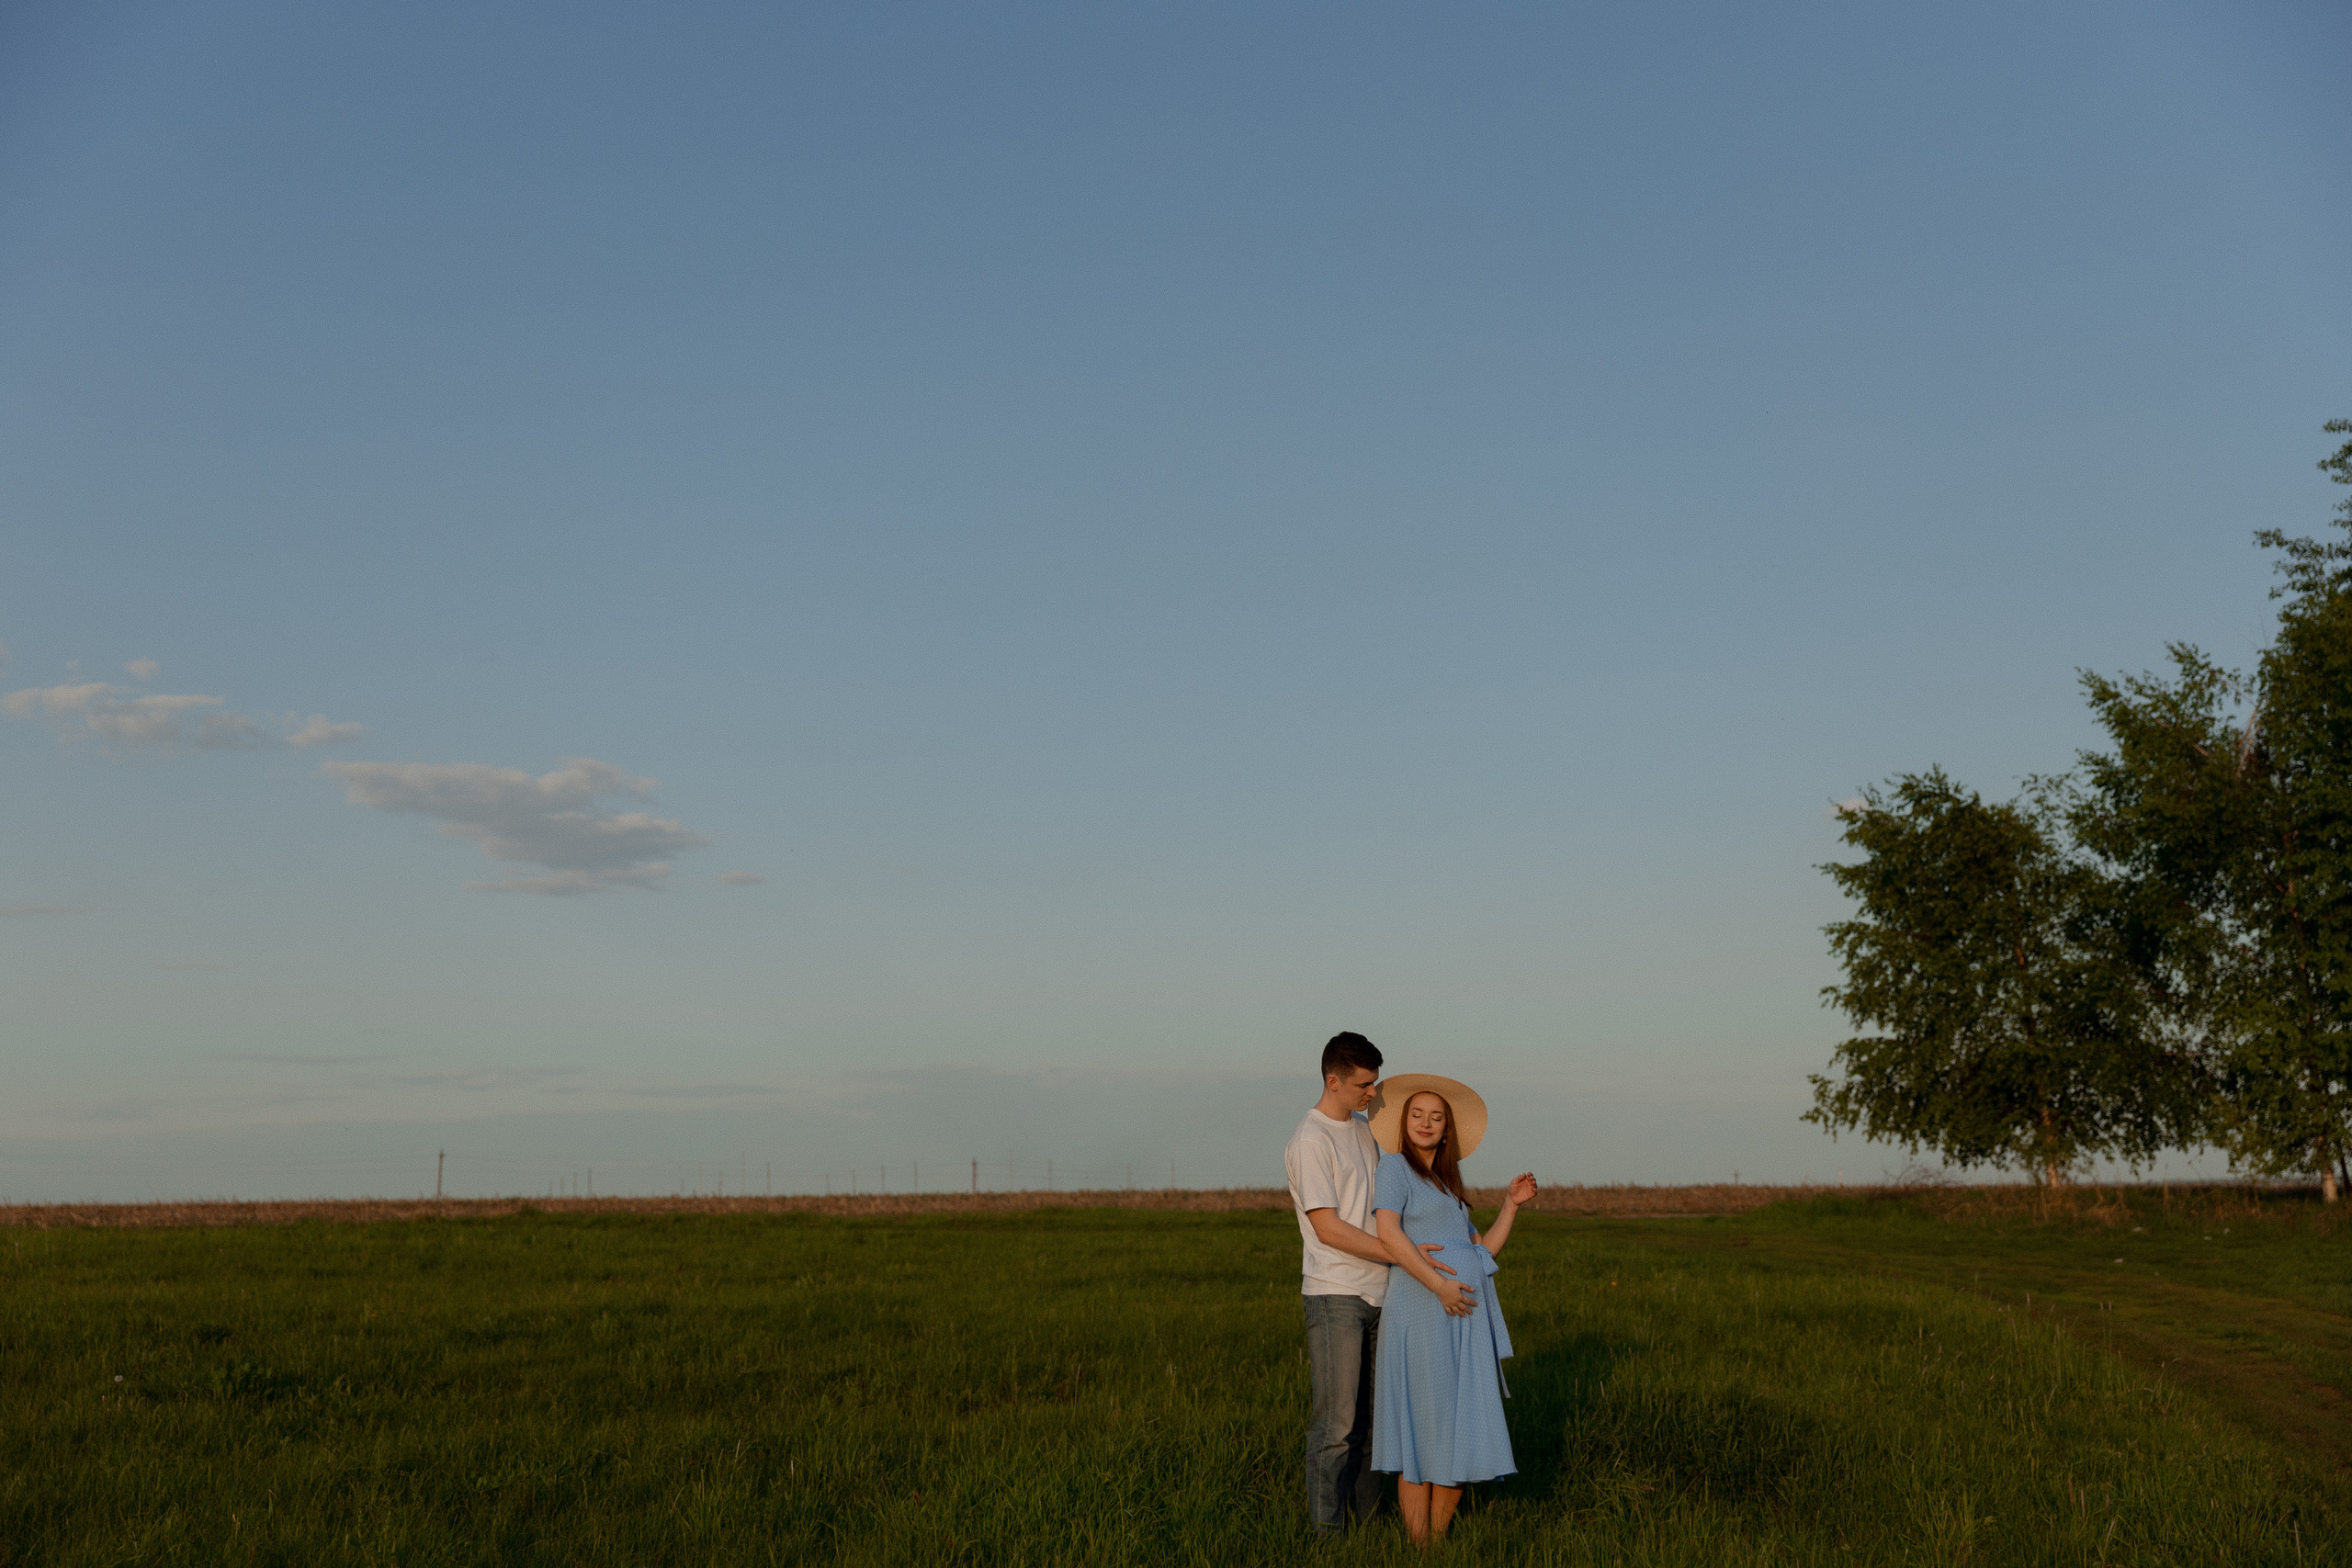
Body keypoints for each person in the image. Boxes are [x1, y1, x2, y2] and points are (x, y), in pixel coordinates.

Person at [1283, 1032, 1454, 1537]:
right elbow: (1327, 1227)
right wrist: (1403, 1255)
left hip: (1388, 1295)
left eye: (1375, 1083)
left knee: (1378, 1426)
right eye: (1364, 1085)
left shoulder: (1364, 1130)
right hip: (1336, 1293)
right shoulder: (1309, 1140)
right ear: (1333, 1081)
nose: (1373, 1094)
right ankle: (1327, 1540)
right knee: (1336, 1429)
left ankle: (1369, 1528)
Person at [1366, 1074, 1538, 1546]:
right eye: (1417, 1114)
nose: (1426, 1123)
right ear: (1404, 1123)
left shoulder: (1447, 1185)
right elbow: (1388, 1233)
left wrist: (1510, 1206)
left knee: (1459, 1424)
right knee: (1425, 1423)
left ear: (1447, 1130)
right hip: (1423, 1310)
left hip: (1463, 1316)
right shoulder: (1395, 1168)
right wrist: (1439, 1284)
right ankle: (1417, 1543)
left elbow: (1481, 1256)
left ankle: (1434, 1545)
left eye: (1436, 1117)